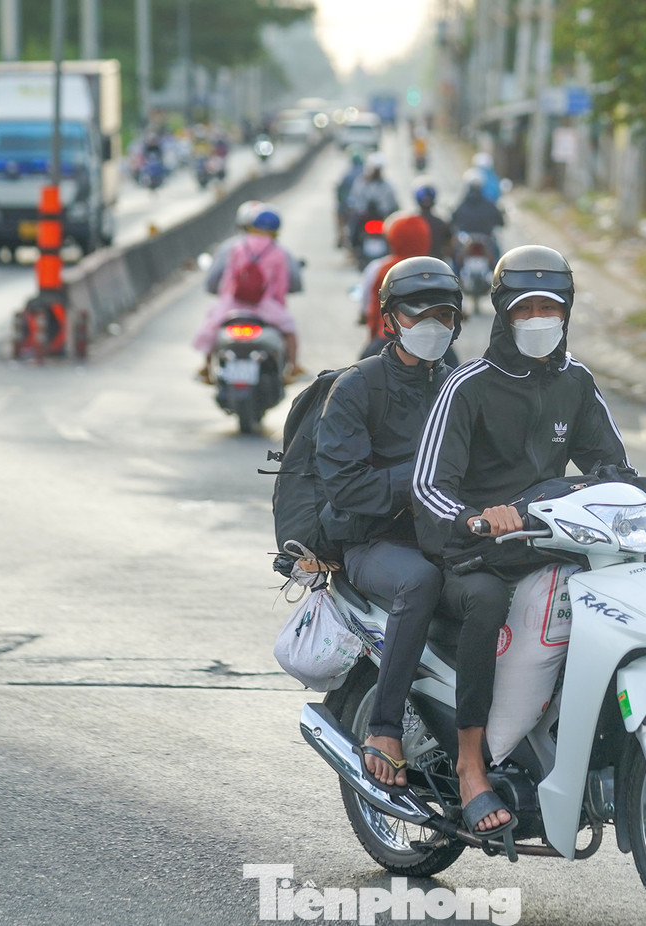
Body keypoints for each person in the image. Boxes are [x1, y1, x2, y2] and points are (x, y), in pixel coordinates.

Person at [412, 245, 646, 838]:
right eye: (526, 308)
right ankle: (471, 767)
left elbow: (611, 468)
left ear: (567, 310)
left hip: (554, 544)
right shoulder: (468, 385)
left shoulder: (576, 382)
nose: (539, 318)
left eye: (550, 306)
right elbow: (427, 487)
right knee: (487, 604)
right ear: (501, 312)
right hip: (475, 550)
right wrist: (476, 519)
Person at [315, 257, 462, 788]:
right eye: (415, 314)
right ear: (389, 321)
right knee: (420, 581)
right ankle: (384, 727)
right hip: (373, 542)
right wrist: (425, 477)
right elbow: (347, 488)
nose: (431, 326)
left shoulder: (460, 387)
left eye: (443, 315)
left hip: (447, 533)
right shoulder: (357, 387)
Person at [191, 204, 302, 382]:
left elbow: (228, 280)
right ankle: (294, 368)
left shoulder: (236, 247)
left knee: (212, 325)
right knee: (290, 330)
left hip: (233, 303)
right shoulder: (279, 252)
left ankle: (206, 368)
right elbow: (280, 288)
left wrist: (225, 300)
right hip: (263, 306)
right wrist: (279, 307)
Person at [359, 212, 432, 351]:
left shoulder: (378, 268)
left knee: (360, 369)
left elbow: (366, 306)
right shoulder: (439, 269)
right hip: (430, 343)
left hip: (386, 339)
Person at [204, 201, 304, 297]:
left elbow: (212, 282)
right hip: (270, 309)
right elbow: (295, 283)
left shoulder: (231, 247)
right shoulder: (280, 251)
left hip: (230, 307)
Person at [346, 153, 399, 251]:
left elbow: (393, 204)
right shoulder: (360, 183)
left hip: (382, 217)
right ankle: (353, 249)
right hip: (364, 217)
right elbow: (354, 199)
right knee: (354, 229)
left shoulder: (387, 185)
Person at [449, 169, 505, 255]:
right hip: (486, 241)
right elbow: (501, 222)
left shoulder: (461, 205)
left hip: (466, 242)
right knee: (497, 253)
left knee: (454, 256)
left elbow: (452, 221)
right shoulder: (490, 205)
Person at [412, 179, 453, 264]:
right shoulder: (441, 223)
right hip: (438, 265)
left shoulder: (410, 223)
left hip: (415, 265)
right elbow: (449, 247)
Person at [335, 148, 366, 248]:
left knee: (339, 214)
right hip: (359, 207)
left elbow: (340, 192)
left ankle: (341, 236)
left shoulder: (348, 175)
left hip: (355, 208)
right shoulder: (366, 173)